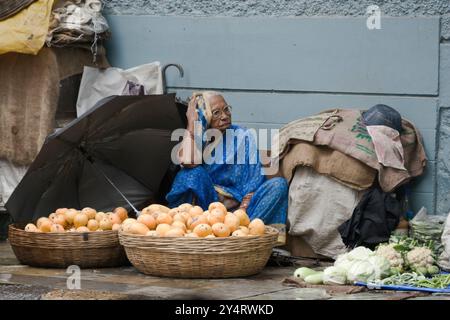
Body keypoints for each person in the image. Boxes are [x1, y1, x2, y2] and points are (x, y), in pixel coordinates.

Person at [166, 91, 288, 227]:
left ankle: (243, 235)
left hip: (242, 210)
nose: (224, 116)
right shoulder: (197, 137)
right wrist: (192, 123)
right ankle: (191, 227)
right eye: (216, 113)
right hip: (206, 211)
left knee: (278, 185)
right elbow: (187, 161)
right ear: (203, 116)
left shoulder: (242, 136)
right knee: (190, 174)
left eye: (226, 109)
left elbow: (253, 183)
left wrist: (241, 210)